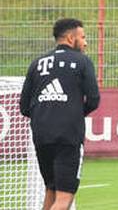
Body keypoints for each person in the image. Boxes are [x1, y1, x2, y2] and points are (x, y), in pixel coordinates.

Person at [20, 17, 100, 210]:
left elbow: (24, 106)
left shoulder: (37, 63)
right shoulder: (82, 61)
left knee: (51, 190)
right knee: (65, 197)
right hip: (68, 136)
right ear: (71, 38)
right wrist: (72, 113)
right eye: (83, 37)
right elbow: (94, 99)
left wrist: (47, 114)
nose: (86, 42)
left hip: (41, 136)